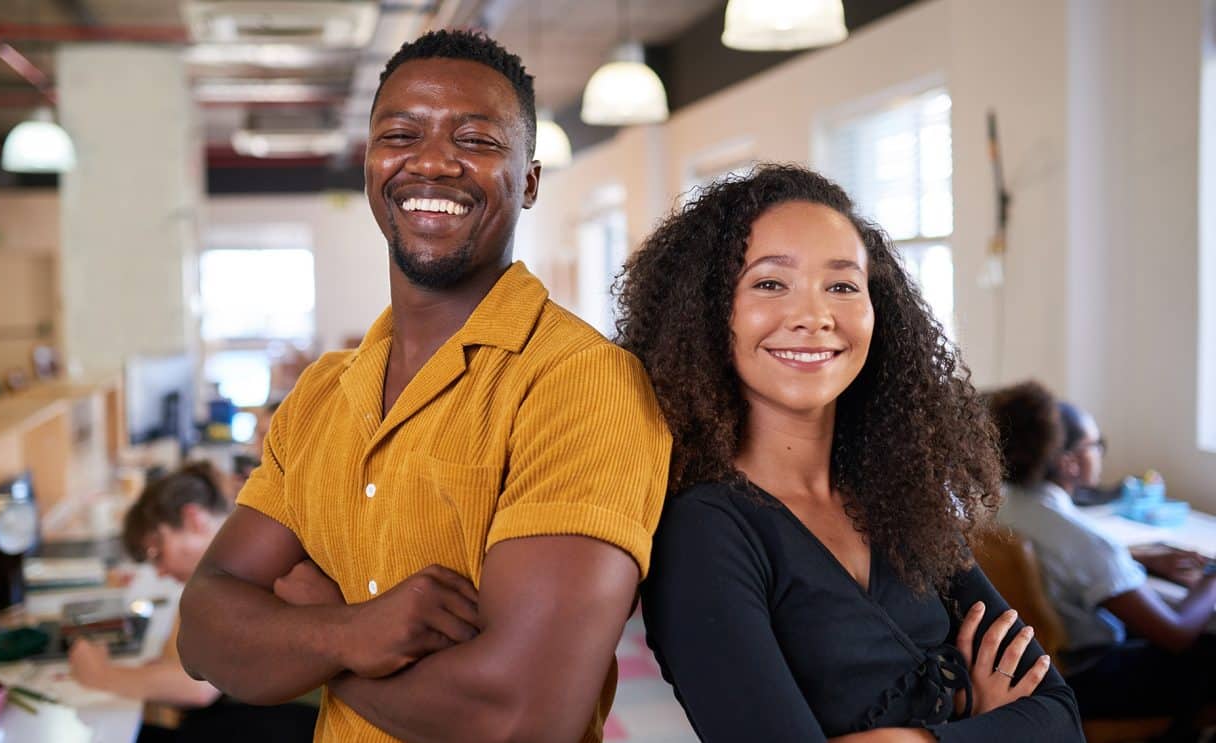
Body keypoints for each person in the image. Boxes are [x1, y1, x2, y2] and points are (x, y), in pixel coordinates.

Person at [176, 29, 671, 743]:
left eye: (475, 140)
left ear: (529, 180)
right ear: (372, 164)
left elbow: (520, 717)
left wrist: (310, 633)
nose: (433, 162)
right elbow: (203, 627)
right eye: (401, 133)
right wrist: (351, 630)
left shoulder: (580, 383)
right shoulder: (321, 393)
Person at [617, 163, 1083, 741]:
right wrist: (975, 719)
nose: (814, 316)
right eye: (769, 283)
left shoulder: (900, 500)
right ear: (707, 314)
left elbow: (1059, 716)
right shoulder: (703, 530)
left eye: (841, 285)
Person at [987, 381, 1216, 740]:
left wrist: (1137, 558)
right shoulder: (1085, 541)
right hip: (1088, 681)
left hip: (1032, 673)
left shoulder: (999, 506)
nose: (1099, 454)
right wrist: (1212, 576)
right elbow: (1176, 634)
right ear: (1070, 462)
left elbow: (1062, 558)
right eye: (1096, 445)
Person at [68, 463, 318, 742]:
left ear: (193, 518)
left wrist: (102, 675)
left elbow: (198, 689)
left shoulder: (243, 563)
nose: (160, 571)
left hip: (291, 720)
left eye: (157, 551)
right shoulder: (228, 562)